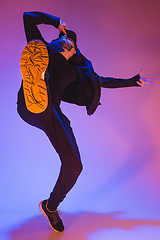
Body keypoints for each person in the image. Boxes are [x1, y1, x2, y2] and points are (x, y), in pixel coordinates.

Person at [17, 11, 153, 233]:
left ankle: (50, 207)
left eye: (70, 42)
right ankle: (36, 84)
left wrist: (132, 81)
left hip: (50, 111)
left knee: (74, 165)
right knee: (38, 67)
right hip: (30, 106)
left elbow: (102, 81)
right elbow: (28, 17)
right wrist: (57, 23)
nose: (67, 40)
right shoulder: (40, 49)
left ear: (74, 52)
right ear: (56, 41)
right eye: (64, 38)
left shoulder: (77, 72)